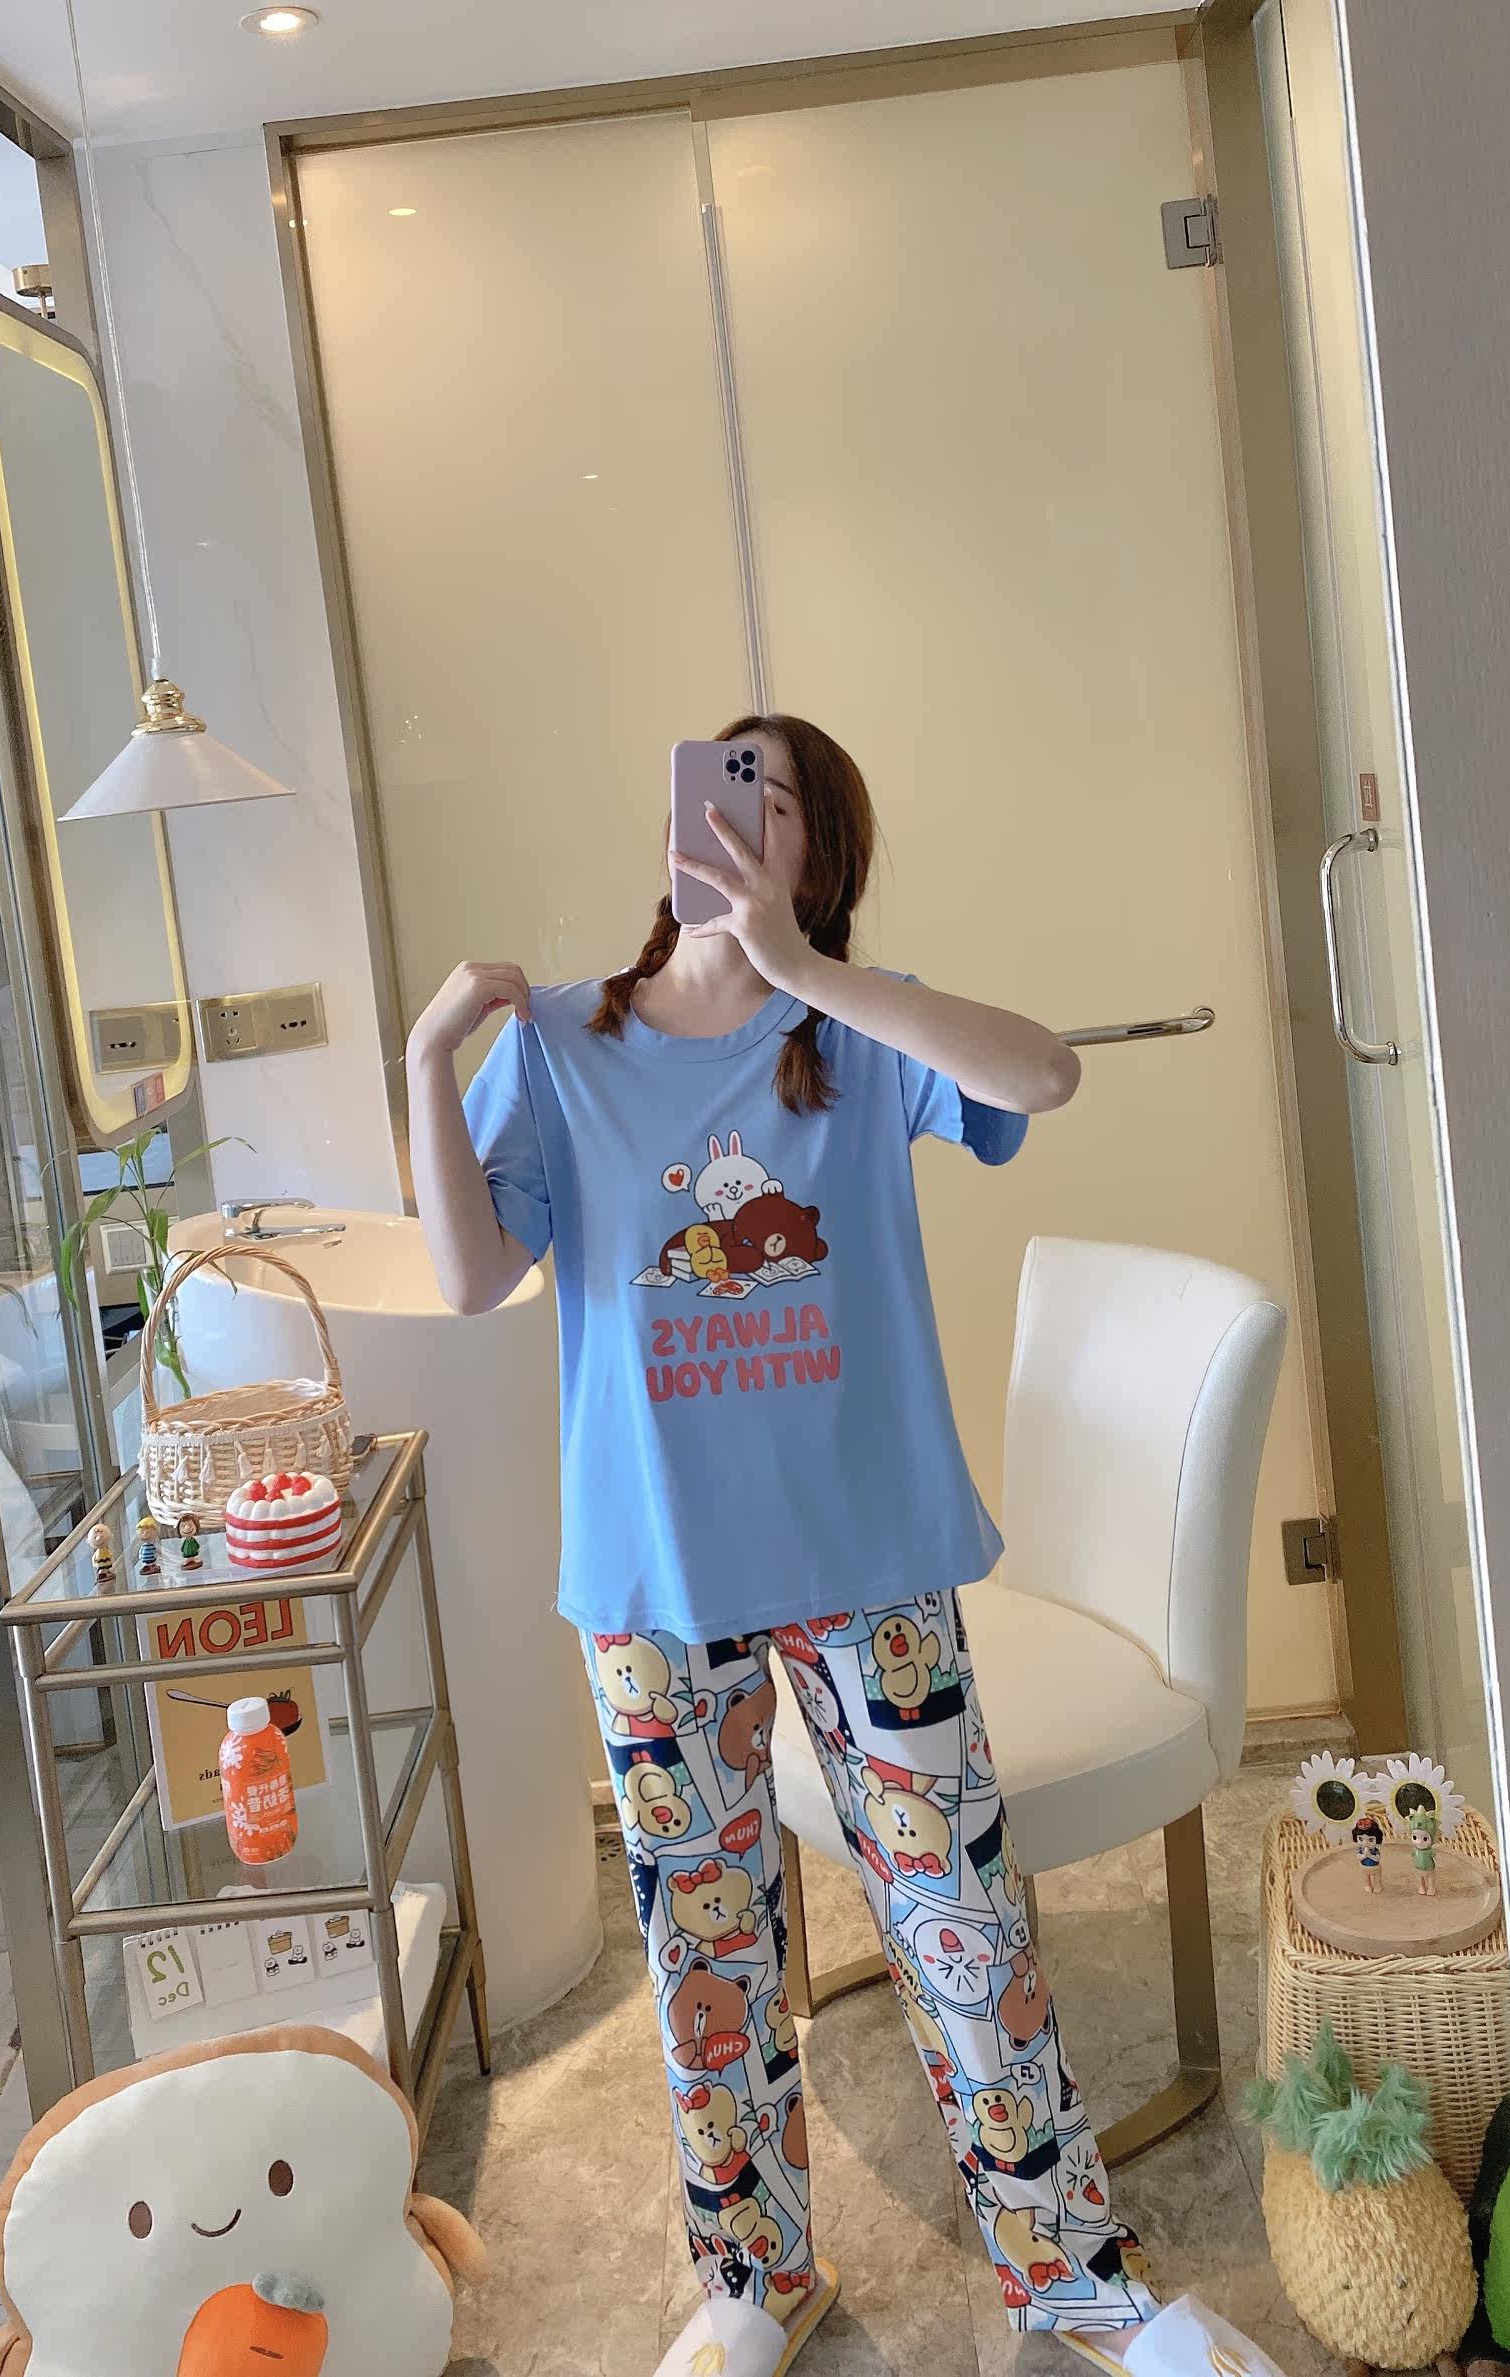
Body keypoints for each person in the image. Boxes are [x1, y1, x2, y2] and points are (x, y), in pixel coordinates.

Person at [408, 716, 1281, 2377]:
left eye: (780, 798)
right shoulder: (567, 1043)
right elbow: (467, 1277)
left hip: (870, 1566)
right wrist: (422, 1060)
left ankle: (1074, 2276)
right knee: (707, 1952)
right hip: (657, 1585)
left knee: (964, 1925)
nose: (738, 814)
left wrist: (805, 967)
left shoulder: (857, 1034)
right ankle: (755, 2279)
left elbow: (1042, 1075)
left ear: (822, 854)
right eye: (719, 782)